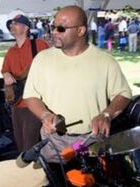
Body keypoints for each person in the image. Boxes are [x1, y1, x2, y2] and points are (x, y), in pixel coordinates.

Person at [23, 6, 132, 163]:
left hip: (92, 140)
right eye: (53, 27)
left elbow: (123, 94)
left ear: (81, 31)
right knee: (55, 184)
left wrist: (106, 114)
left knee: (92, 184)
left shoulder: (105, 61)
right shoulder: (42, 59)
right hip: (53, 141)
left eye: (61, 28)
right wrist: (45, 115)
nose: (54, 32)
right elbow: (31, 96)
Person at [1, 14, 49, 152]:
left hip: (35, 102)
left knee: (30, 143)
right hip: (17, 104)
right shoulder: (11, 51)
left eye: (15, 24)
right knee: (20, 142)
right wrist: (6, 74)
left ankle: (35, 170)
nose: (11, 26)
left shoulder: (39, 45)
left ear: (26, 27)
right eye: (11, 24)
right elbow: (5, 69)